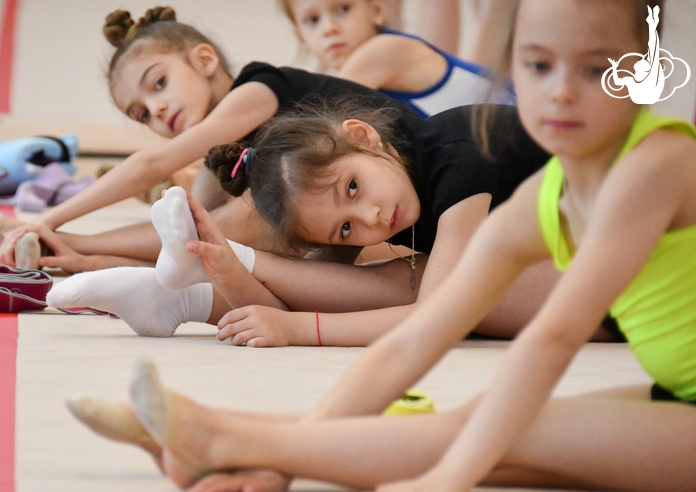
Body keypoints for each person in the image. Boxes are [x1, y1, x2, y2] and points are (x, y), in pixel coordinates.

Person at [67, 1, 696, 490]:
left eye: (595, 68)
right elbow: (414, 344)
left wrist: (447, 481)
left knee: (505, 436)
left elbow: (549, 343)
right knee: (479, 430)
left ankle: (231, 439)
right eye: (537, 66)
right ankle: (234, 442)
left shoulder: (654, 165)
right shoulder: (543, 195)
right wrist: (289, 469)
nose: (559, 91)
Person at [46, 101, 623, 346]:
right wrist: (237, 279)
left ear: (363, 135)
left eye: (352, 188)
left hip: (636, 284)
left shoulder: (461, 160)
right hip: (577, 262)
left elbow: (434, 319)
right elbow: (294, 300)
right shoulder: (386, 179)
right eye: (344, 231)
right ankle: (182, 296)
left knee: (438, 284)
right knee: (395, 280)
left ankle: (196, 292)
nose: (370, 217)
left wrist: (301, 332)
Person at [0, 5, 426, 271]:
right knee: (200, 231)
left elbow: (150, 166)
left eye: (159, 84)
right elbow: (183, 225)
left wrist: (45, 218)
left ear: (205, 61)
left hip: (399, 167)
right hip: (359, 210)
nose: (156, 109)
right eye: (140, 112)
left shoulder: (255, 90)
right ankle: (63, 252)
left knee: (227, 227)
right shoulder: (228, 154)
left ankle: (53, 243)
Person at [279, 0, 515, 117]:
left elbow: (315, 117)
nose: (329, 28)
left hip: (522, 131)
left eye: (343, 9)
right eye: (312, 20)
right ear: (301, 38)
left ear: (376, 11)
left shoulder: (381, 51)